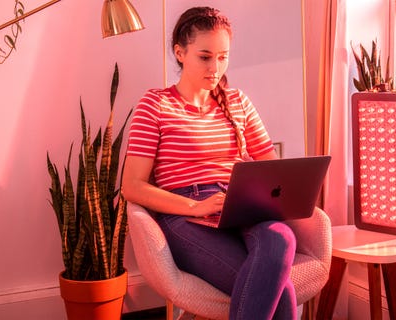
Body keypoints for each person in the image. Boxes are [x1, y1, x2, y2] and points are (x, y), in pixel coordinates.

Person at [122, 6, 298, 320]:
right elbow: (132, 187)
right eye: (205, 57)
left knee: (282, 237)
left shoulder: (238, 101)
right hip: (185, 212)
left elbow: (271, 168)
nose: (215, 67)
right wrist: (195, 207)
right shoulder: (156, 104)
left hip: (241, 203)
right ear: (180, 52)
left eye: (222, 56)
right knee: (281, 294)